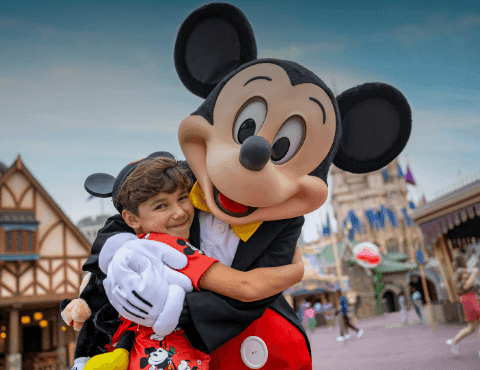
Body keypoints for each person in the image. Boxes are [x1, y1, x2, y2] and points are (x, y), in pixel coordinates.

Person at [70, 155, 305, 370]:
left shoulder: (133, 250)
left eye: (183, 198)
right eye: (161, 205)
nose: (180, 212)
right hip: (163, 357)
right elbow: (244, 286)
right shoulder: (169, 247)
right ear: (131, 219)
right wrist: (295, 272)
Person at [446, 254, 480, 356]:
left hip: (469, 299)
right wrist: (474, 273)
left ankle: (454, 342)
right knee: (473, 326)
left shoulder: (458, 271)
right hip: (470, 298)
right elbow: (465, 286)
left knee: (472, 327)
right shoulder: (462, 271)